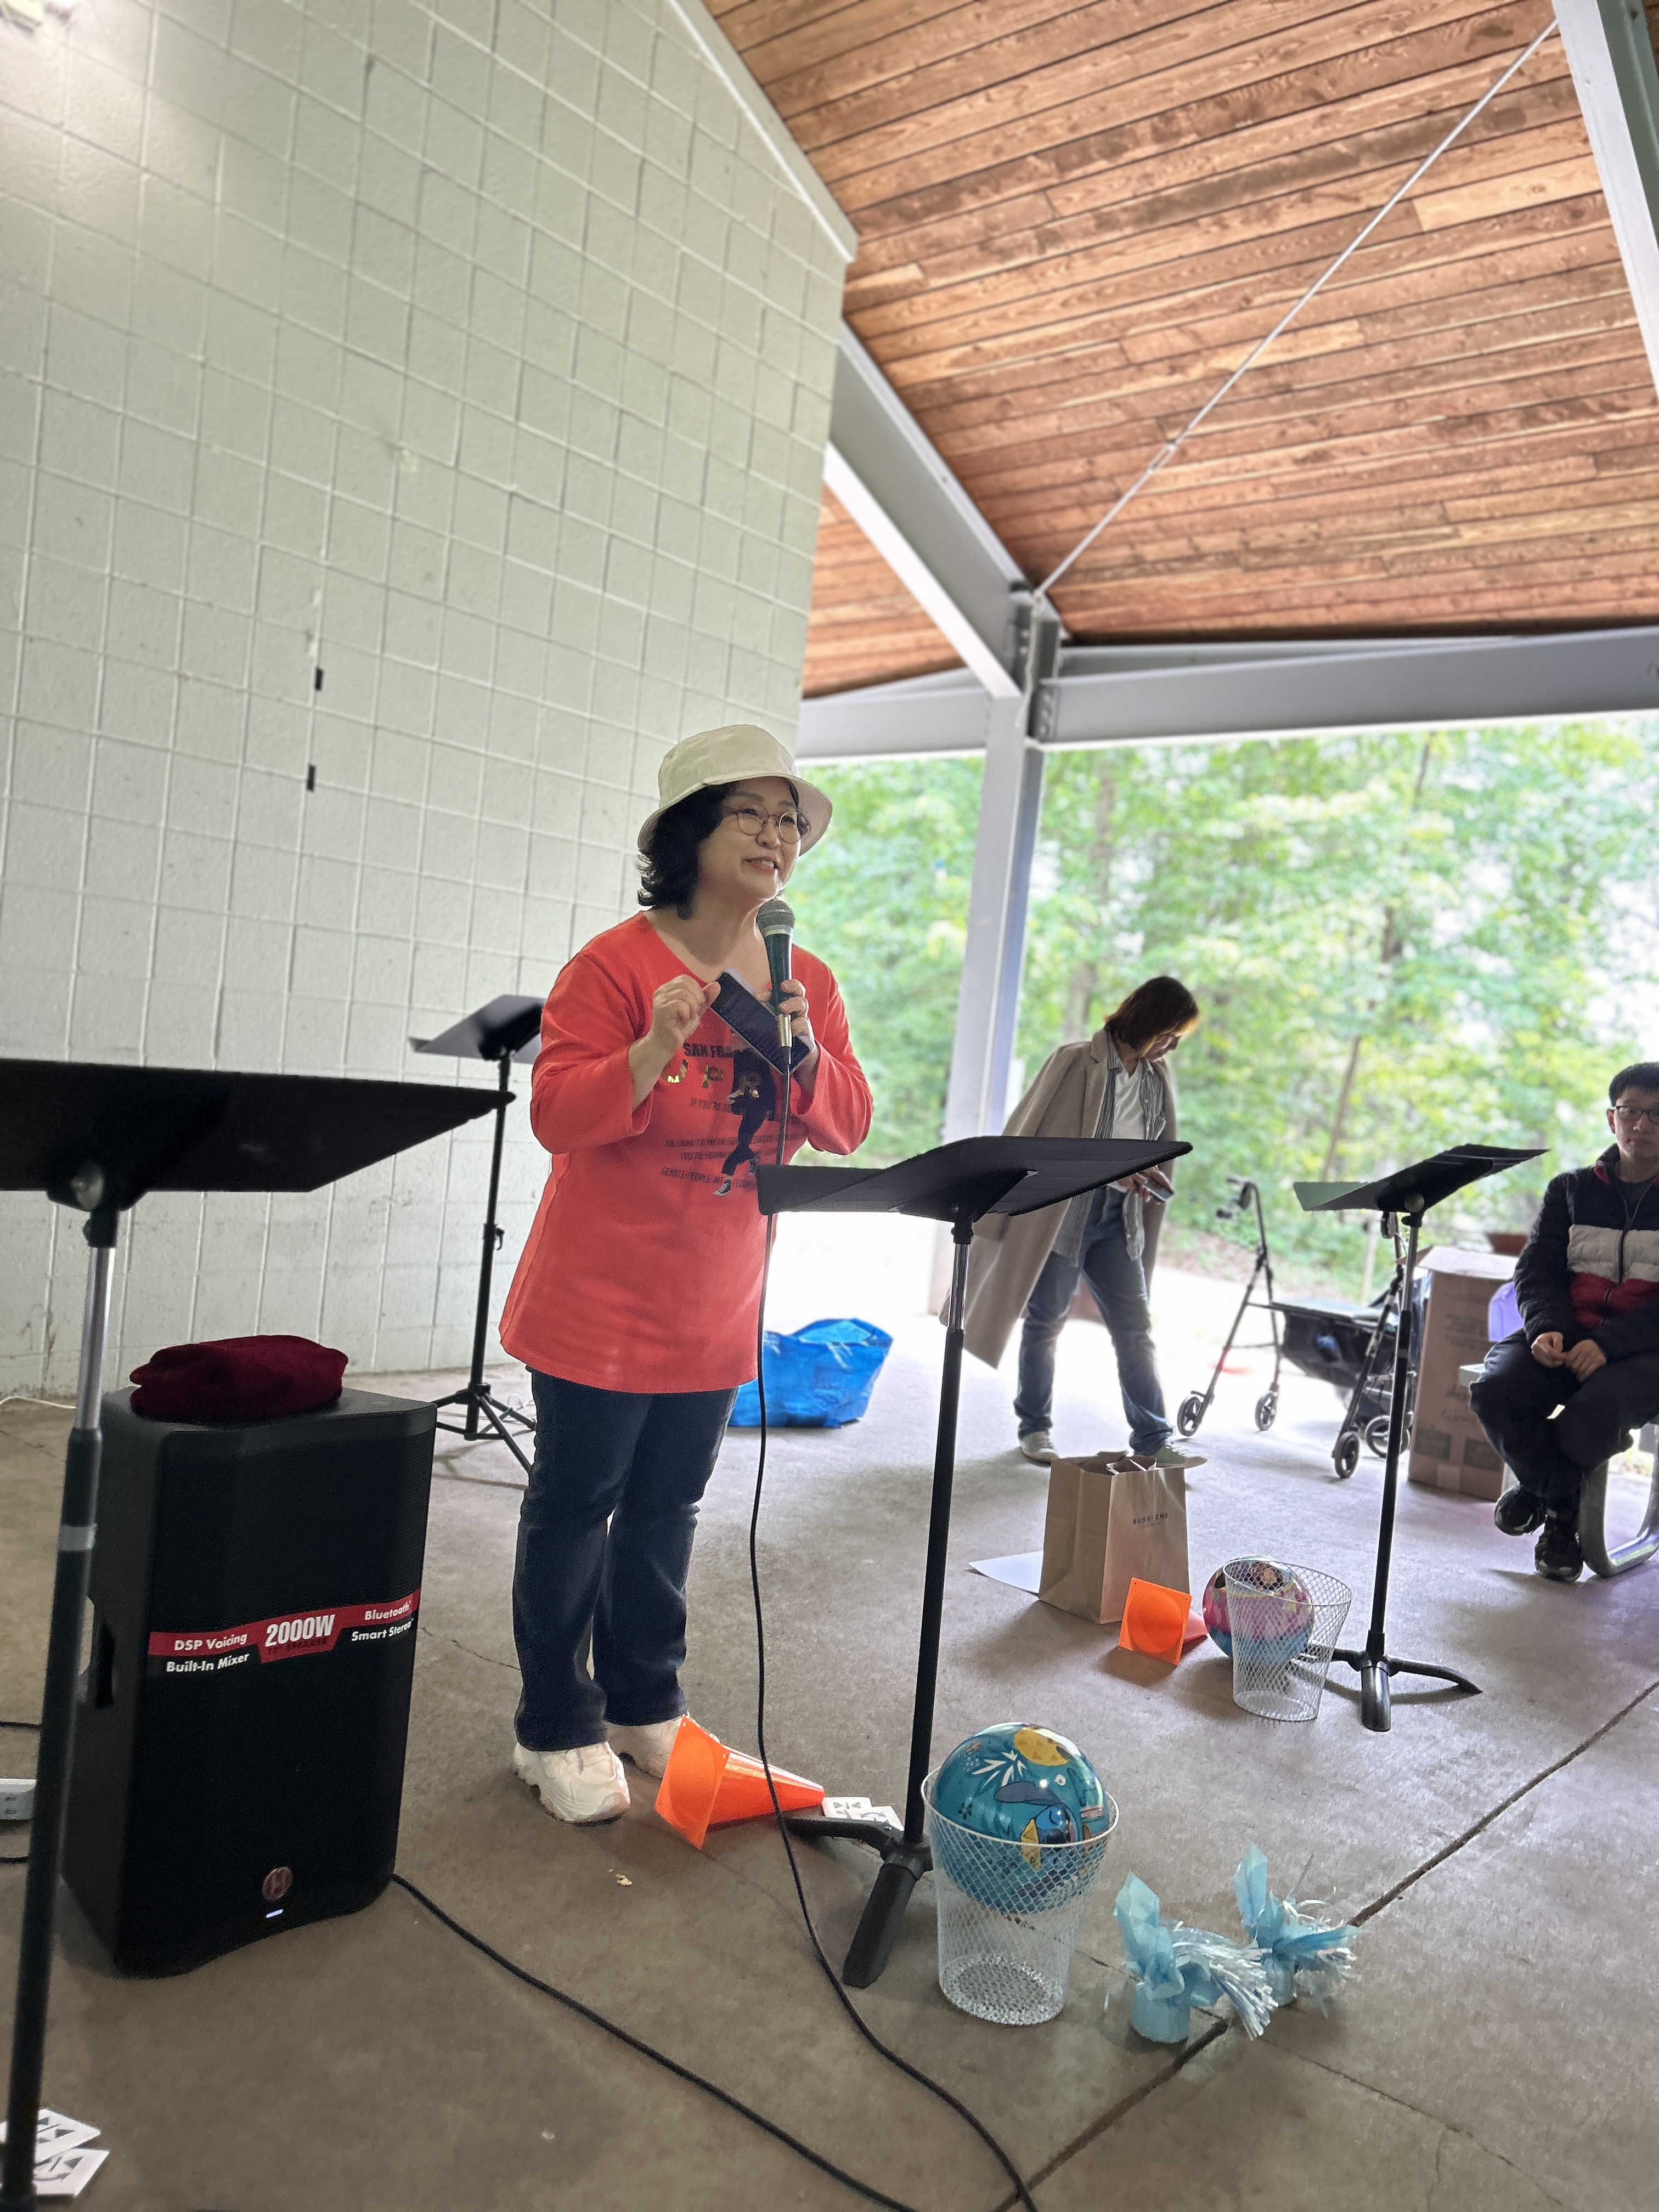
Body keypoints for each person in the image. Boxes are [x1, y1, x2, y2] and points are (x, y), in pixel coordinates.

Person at [497, 725, 872, 1822]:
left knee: (669, 1507)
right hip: (599, 1299)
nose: (776, 834)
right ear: (689, 831)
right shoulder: (613, 965)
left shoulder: (807, 981)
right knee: (577, 1507)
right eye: (750, 811)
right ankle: (551, 1724)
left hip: (717, 1303)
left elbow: (847, 1124)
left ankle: (642, 1702)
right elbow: (557, 1117)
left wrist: (805, 1056)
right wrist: (652, 1047)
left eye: (788, 819)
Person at [961, 975, 1204, 1469]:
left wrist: (1143, 1173)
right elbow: (1041, 1141)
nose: (1173, 1046)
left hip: (1121, 1220)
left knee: (1135, 1329)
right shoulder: (1075, 1062)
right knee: (1046, 1321)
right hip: (1066, 1214)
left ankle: (1154, 1438)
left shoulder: (1157, 1079)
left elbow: (1150, 1144)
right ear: (1150, 1021)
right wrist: (1112, 1172)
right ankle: (1035, 1427)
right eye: (1170, 1034)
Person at [1471, 1060, 1659, 1583]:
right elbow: (1537, 1270)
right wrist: (1545, 1327)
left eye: (1657, 1115)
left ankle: (1546, 1507)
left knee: (1592, 1410)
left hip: (1645, 1351)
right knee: (1496, 1390)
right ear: (1612, 1118)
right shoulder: (1571, 1189)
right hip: (1566, 1332)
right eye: (1631, 1112)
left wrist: (1608, 1344)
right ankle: (1561, 1501)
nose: (1642, 1125)